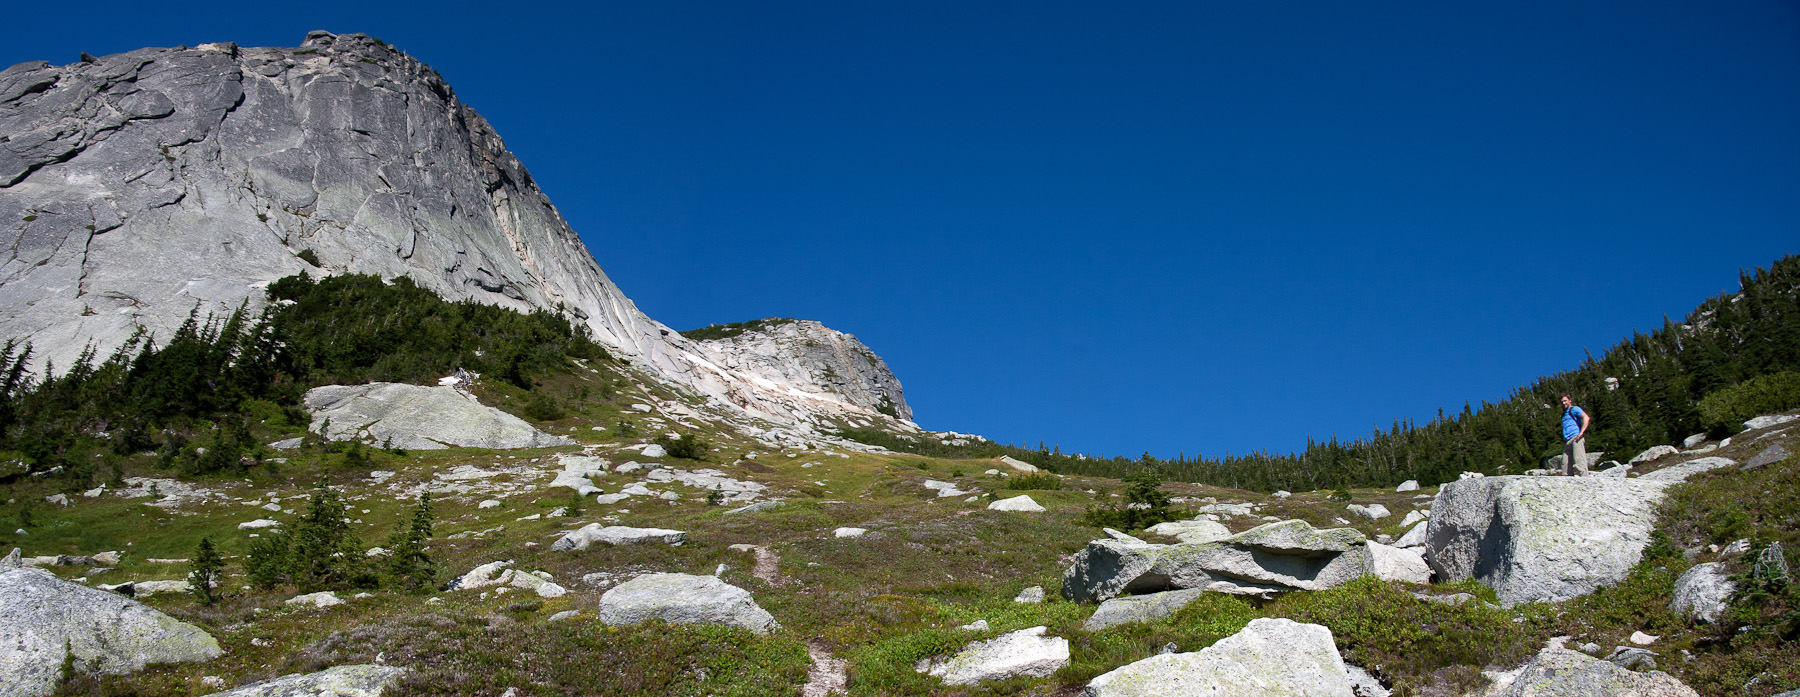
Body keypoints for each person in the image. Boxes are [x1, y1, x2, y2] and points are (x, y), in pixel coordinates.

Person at [1559, 393, 1591, 475]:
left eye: (1565, 401)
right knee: (1565, 466)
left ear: (1570, 400)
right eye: (1562, 402)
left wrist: (1581, 432)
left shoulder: (1575, 409)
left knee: (1579, 461)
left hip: (1576, 437)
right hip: (1567, 441)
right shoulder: (1563, 414)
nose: (1563, 403)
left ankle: (1585, 479)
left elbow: (1586, 417)